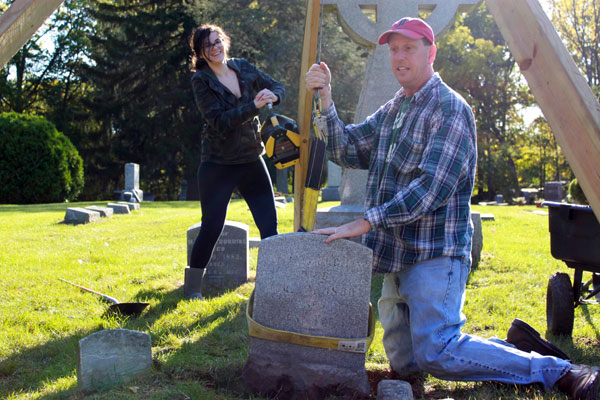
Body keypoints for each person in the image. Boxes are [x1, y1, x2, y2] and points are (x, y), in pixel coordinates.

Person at [306, 17, 599, 399]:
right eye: (394, 49)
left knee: (437, 351)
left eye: (409, 48)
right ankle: (517, 347)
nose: (399, 57)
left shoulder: (449, 108)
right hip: (399, 255)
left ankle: (561, 372)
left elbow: (431, 189)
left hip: (435, 254)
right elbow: (347, 147)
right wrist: (325, 98)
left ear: (432, 52)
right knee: (406, 364)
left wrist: (367, 221)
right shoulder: (394, 109)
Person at [185, 24, 284, 300]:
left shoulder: (242, 67)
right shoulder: (201, 81)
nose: (215, 48)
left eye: (218, 42)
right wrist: (253, 106)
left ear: (224, 42)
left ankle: (271, 286)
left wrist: (272, 96)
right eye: (208, 46)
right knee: (212, 226)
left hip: (252, 158)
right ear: (200, 53)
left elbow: (277, 85)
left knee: (269, 227)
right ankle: (193, 288)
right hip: (218, 164)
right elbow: (218, 122)